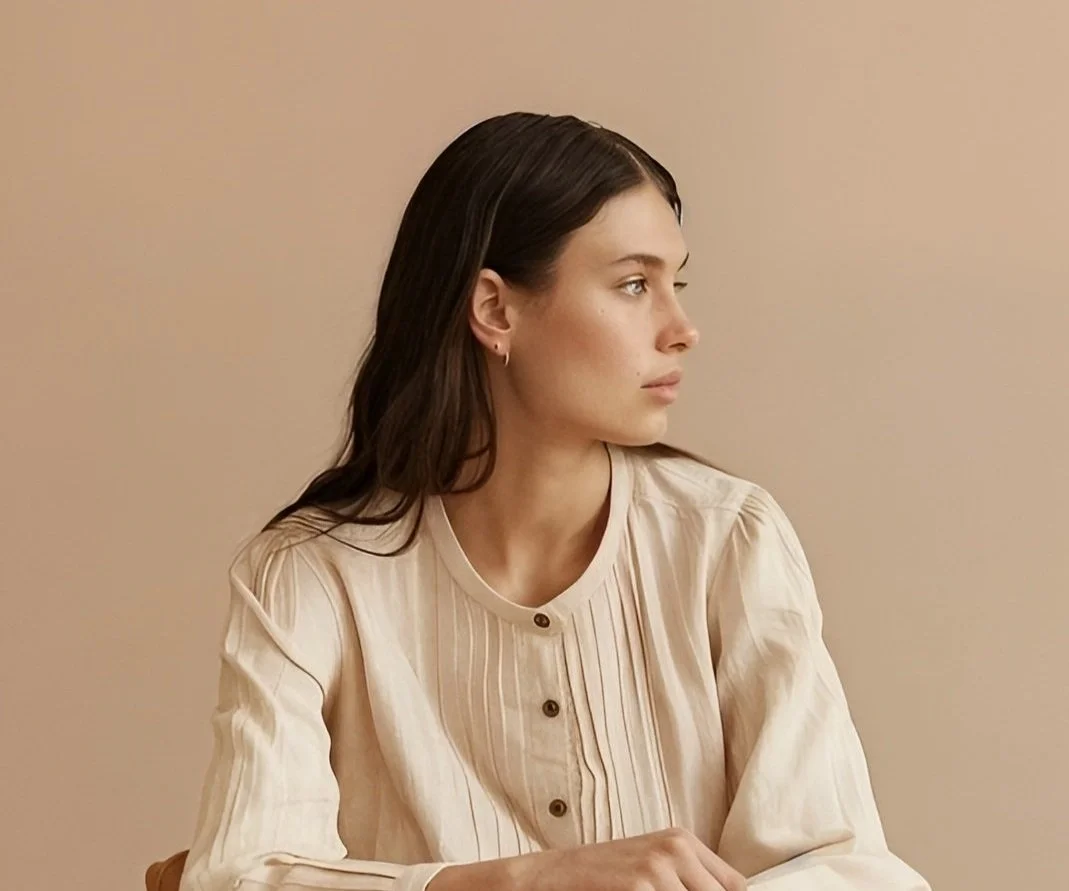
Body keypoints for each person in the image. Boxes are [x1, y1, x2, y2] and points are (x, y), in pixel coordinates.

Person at [177, 112, 931, 891]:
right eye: (634, 284)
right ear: (495, 310)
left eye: (676, 284)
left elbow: (846, 866)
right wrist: (523, 880)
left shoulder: (727, 539)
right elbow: (236, 876)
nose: (681, 329)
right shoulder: (309, 573)